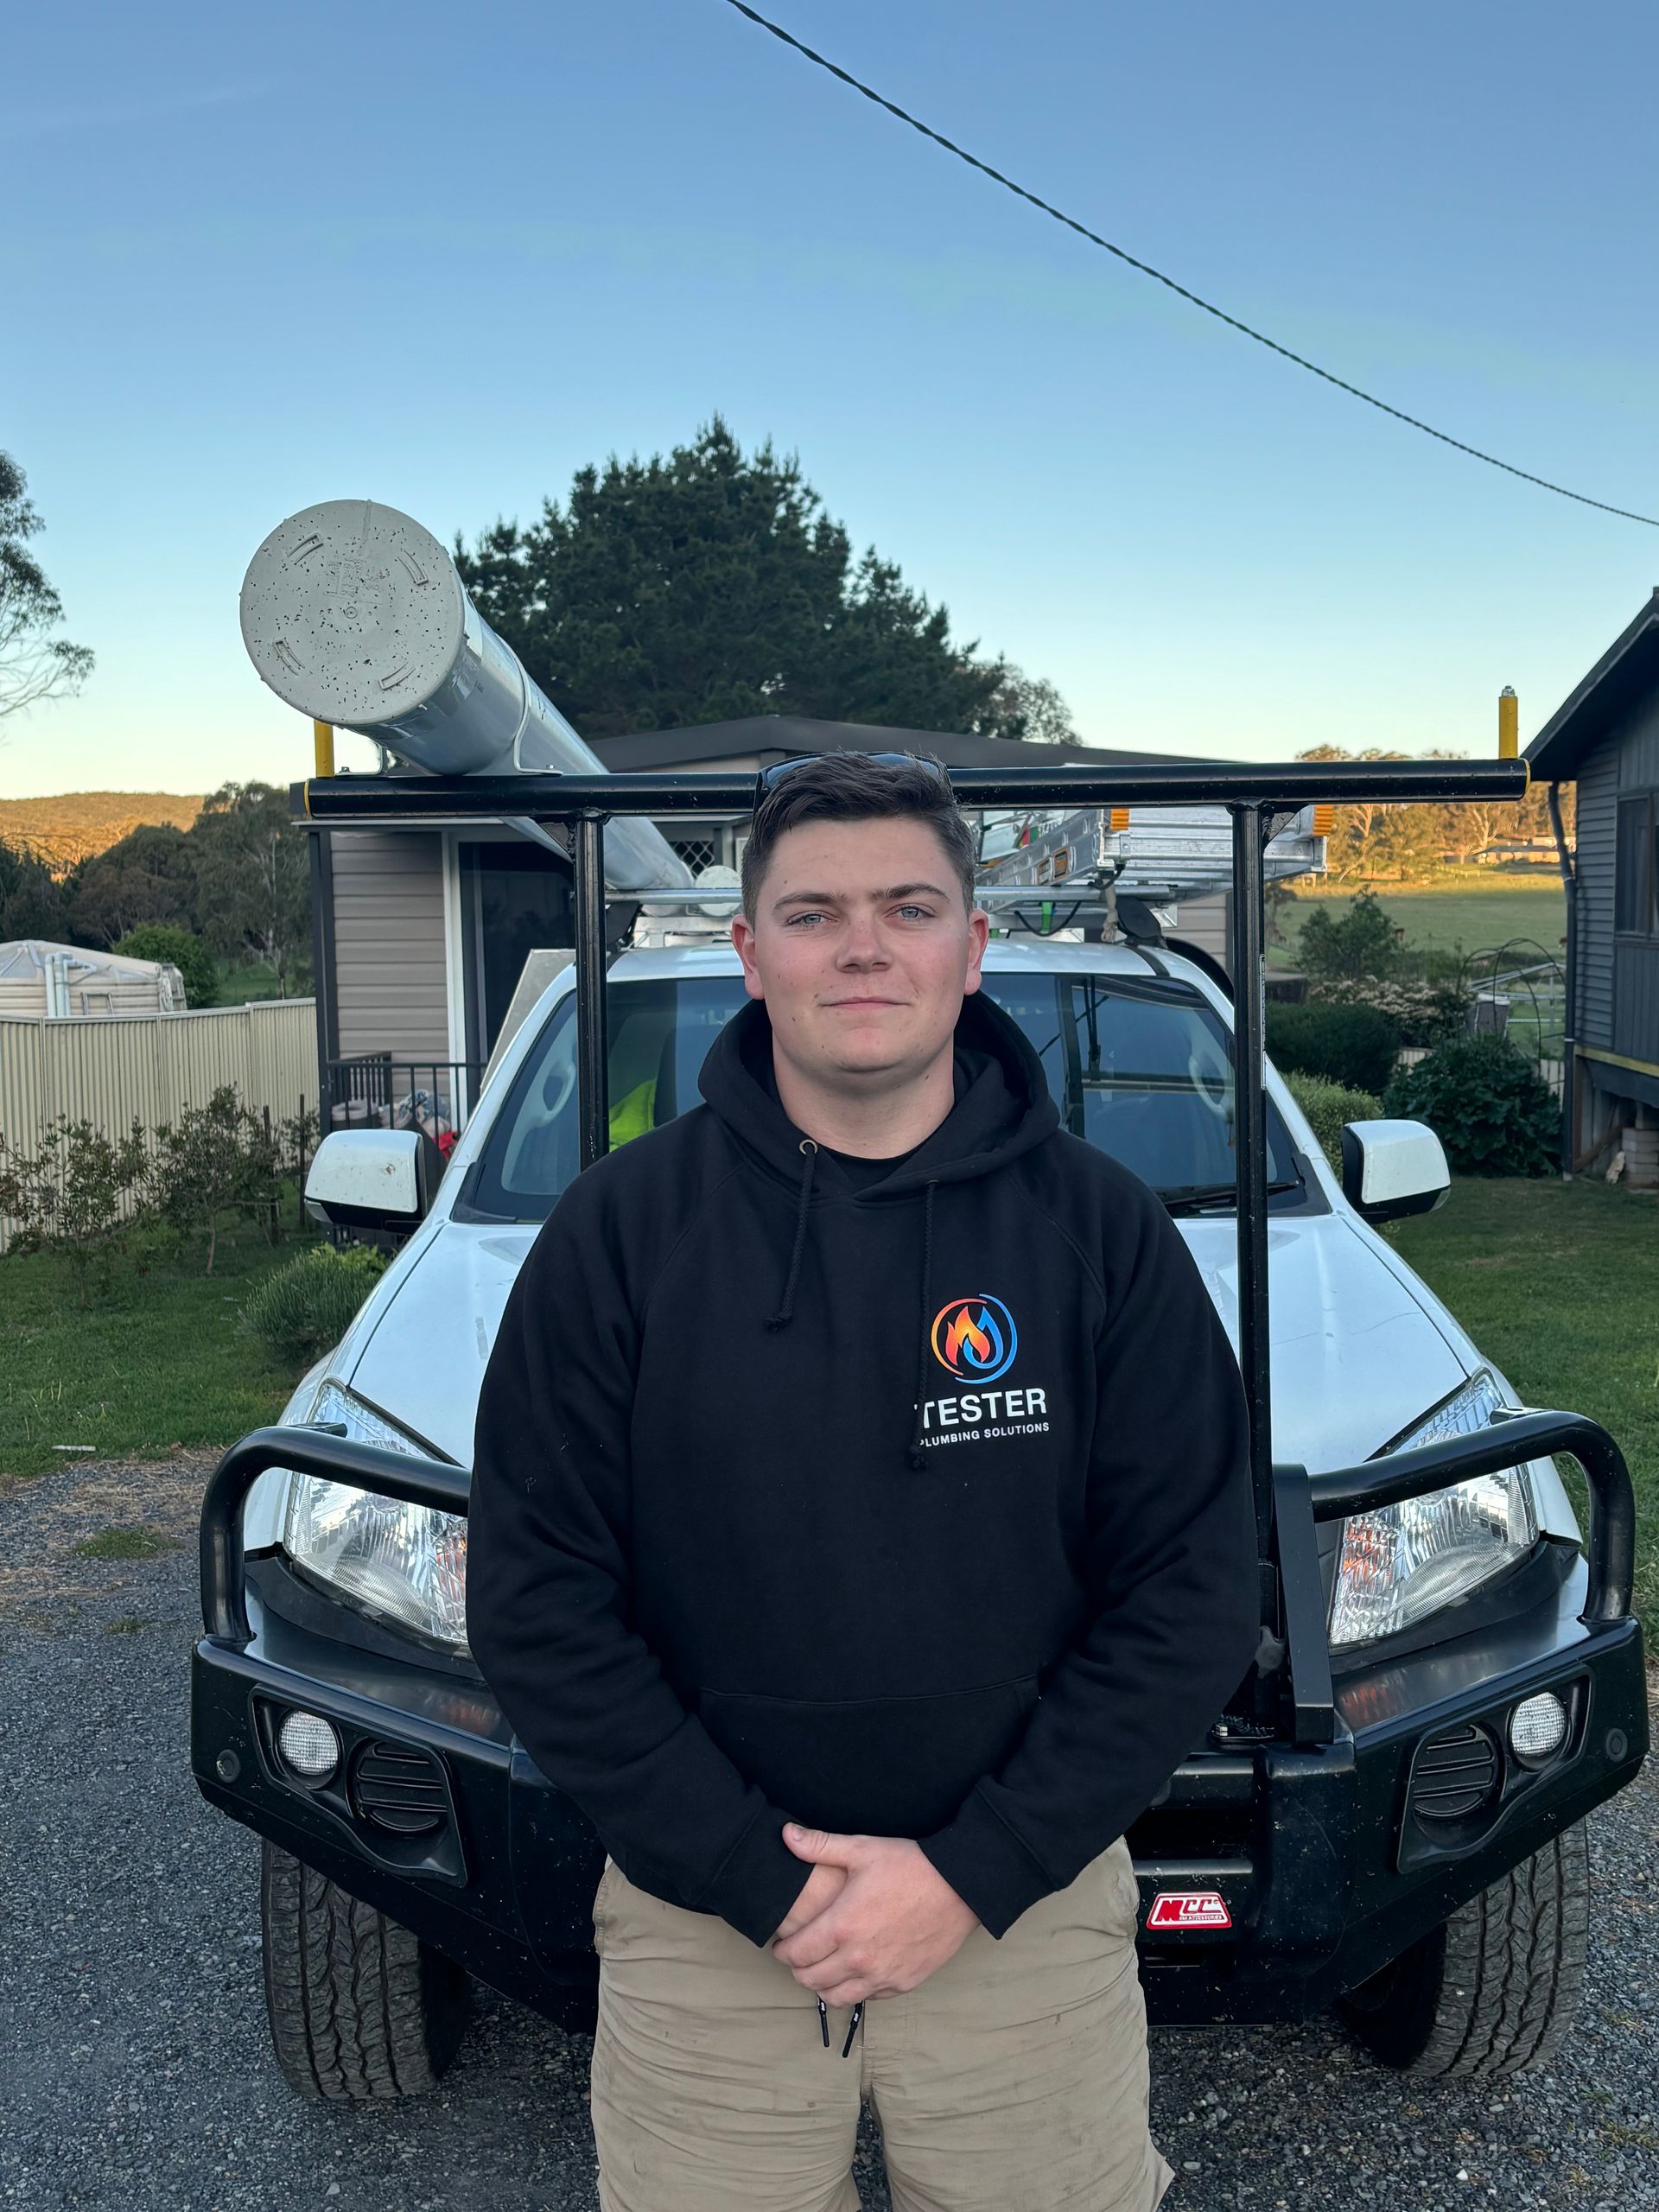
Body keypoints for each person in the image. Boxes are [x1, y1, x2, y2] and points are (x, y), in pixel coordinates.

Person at [466, 749, 1260, 2212]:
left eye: (907, 905)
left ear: (972, 944)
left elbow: (1191, 1596)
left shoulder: (1103, 1234)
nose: (864, 945)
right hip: (707, 1930)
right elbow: (537, 1608)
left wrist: (969, 1871)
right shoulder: (617, 1235)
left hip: (1024, 1914)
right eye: (816, 912)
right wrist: (766, 1885)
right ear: (749, 953)